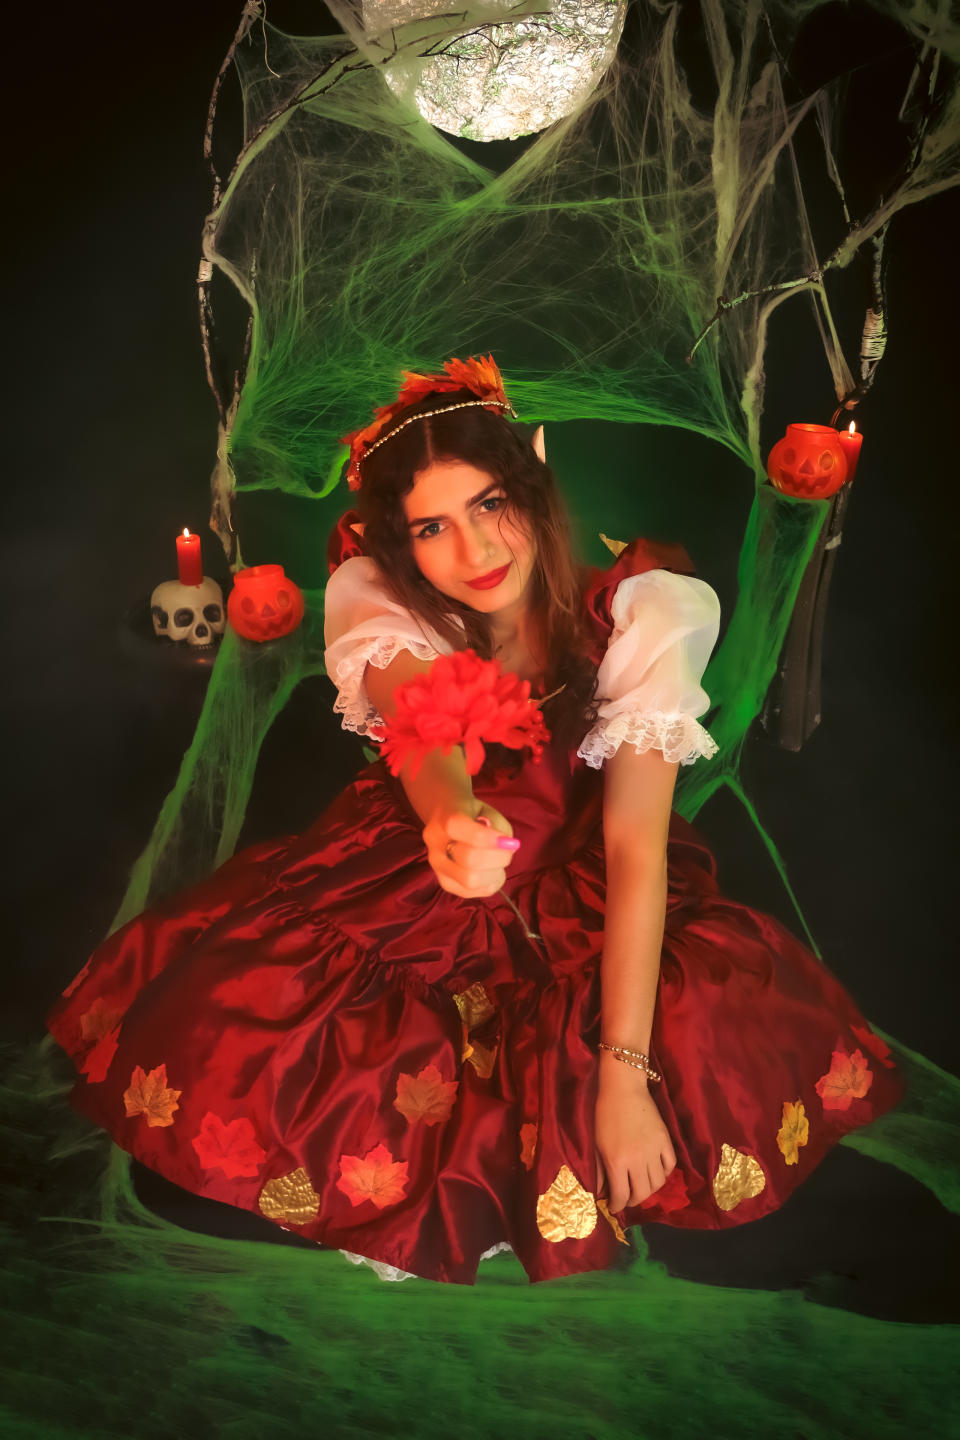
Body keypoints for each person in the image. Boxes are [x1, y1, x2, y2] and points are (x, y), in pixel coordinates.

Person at [48, 356, 902, 1285]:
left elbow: (634, 848)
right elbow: (425, 724)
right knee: (267, 1058)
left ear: (533, 479)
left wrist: (623, 1077)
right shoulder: (383, 605)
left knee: (682, 1064)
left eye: (490, 503)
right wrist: (451, 815)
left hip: (589, 889)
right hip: (407, 874)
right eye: (432, 527)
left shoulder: (643, 616)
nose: (475, 548)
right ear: (399, 543)